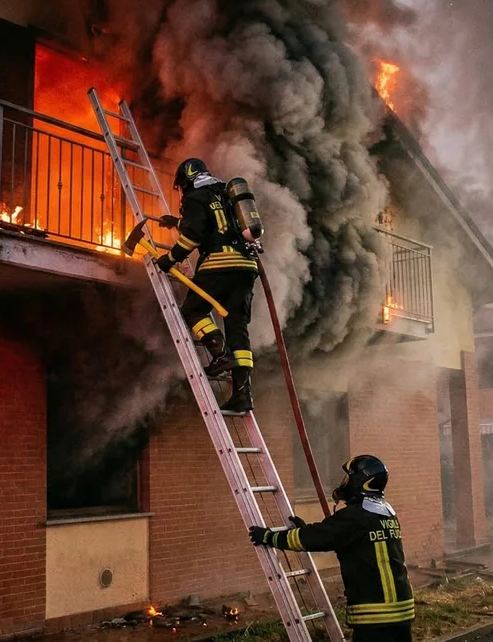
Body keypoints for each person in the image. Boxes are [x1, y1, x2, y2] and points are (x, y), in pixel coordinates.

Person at [248, 455, 414, 642]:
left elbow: (319, 538)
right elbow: (344, 539)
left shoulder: (356, 516)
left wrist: (270, 537)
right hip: (402, 611)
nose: (345, 483)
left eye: (349, 478)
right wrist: (307, 530)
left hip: (376, 614)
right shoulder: (386, 513)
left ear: (361, 481)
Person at [154, 157, 258, 413]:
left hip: (219, 263)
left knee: (192, 310)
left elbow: (194, 236)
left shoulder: (195, 197)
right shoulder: (225, 194)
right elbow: (218, 225)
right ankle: (242, 395)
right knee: (237, 325)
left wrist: (169, 259)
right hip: (246, 267)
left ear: (187, 180)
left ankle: (220, 354)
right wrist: (176, 223)